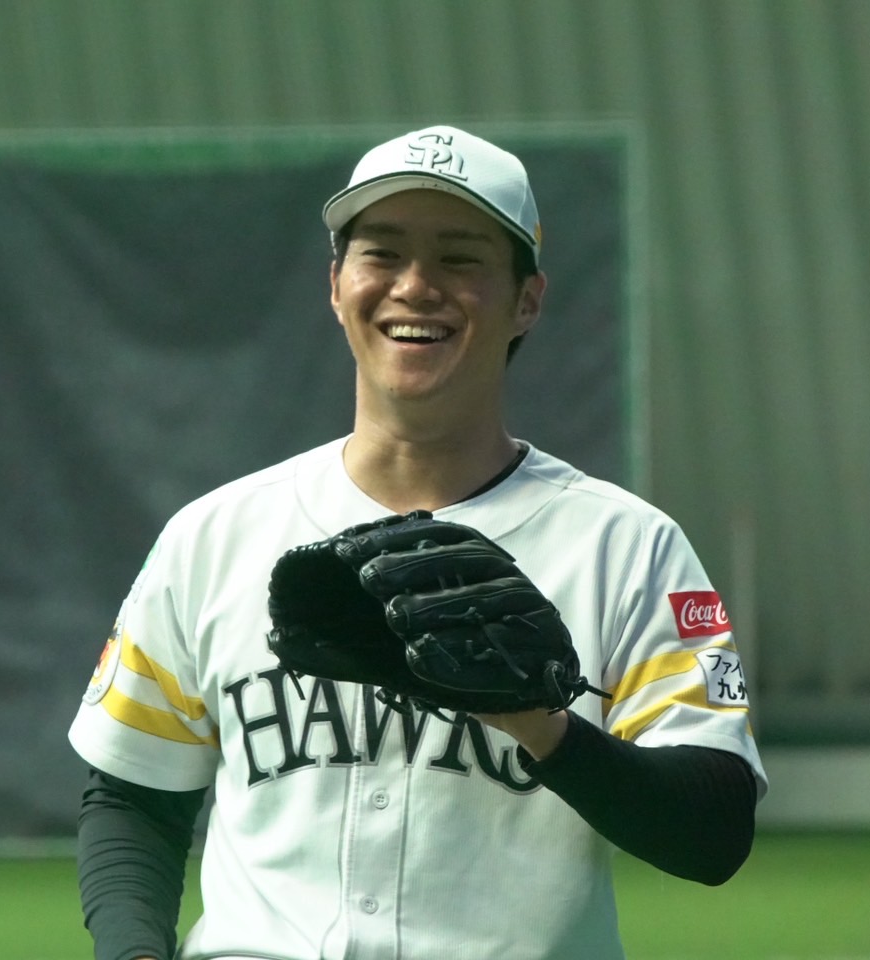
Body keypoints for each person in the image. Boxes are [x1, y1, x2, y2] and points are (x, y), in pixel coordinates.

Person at [68, 124, 766, 960]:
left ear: (527, 300)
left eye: (459, 258)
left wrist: (542, 725)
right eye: (382, 253)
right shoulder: (213, 536)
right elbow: (134, 797)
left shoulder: (625, 547)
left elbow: (711, 834)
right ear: (336, 285)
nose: (414, 286)